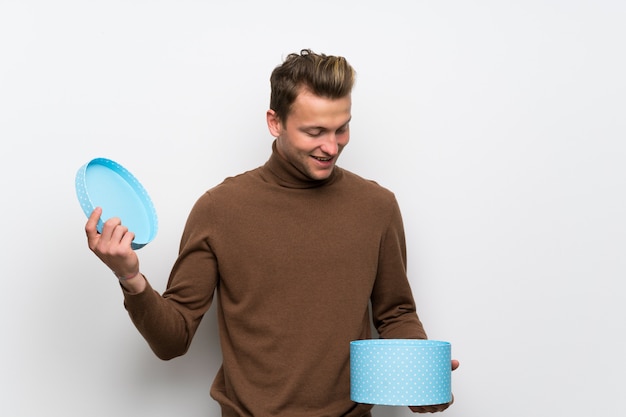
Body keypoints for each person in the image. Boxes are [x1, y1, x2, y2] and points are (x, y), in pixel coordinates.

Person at [85, 49, 459, 416]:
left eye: (341, 128)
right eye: (315, 131)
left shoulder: (377, 206)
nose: (332, 146)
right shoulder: (219, 209)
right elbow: (173, 340)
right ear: (275, 122)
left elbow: (395, 313)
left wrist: (420, 378)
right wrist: (130, 276)